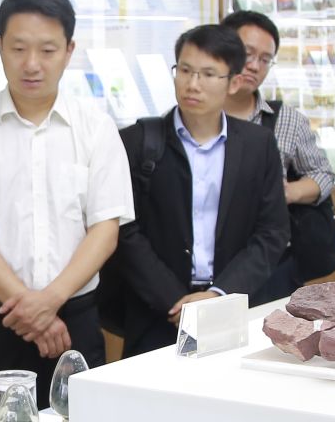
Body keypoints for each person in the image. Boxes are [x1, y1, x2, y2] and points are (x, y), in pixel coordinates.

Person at [0, 0, 132, 399]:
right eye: (18, 48)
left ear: (69, 51)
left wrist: (49, 302)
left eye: (47, 50)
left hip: (74, 322)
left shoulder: (96, 129)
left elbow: (105, 230)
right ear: (0, 46)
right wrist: (30, 308)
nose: (32, 64)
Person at [109, 24, 289, 355]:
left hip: (230, 305)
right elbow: (125, 230)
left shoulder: (257, 145)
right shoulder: (137, 142)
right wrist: (175, 301)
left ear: (234, 82)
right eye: (185, 70)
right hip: (156, 311)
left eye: (208, 74)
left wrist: (218, 295)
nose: (193, 84)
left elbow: (272, 232)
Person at [222, 9, 335, 301]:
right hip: (206, 265)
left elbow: (323, 175)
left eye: (265, 59)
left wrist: (286, 192)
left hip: (270, 264)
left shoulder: (286, 119)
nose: (254, 66)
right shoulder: (192, 117)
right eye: (247, 53)